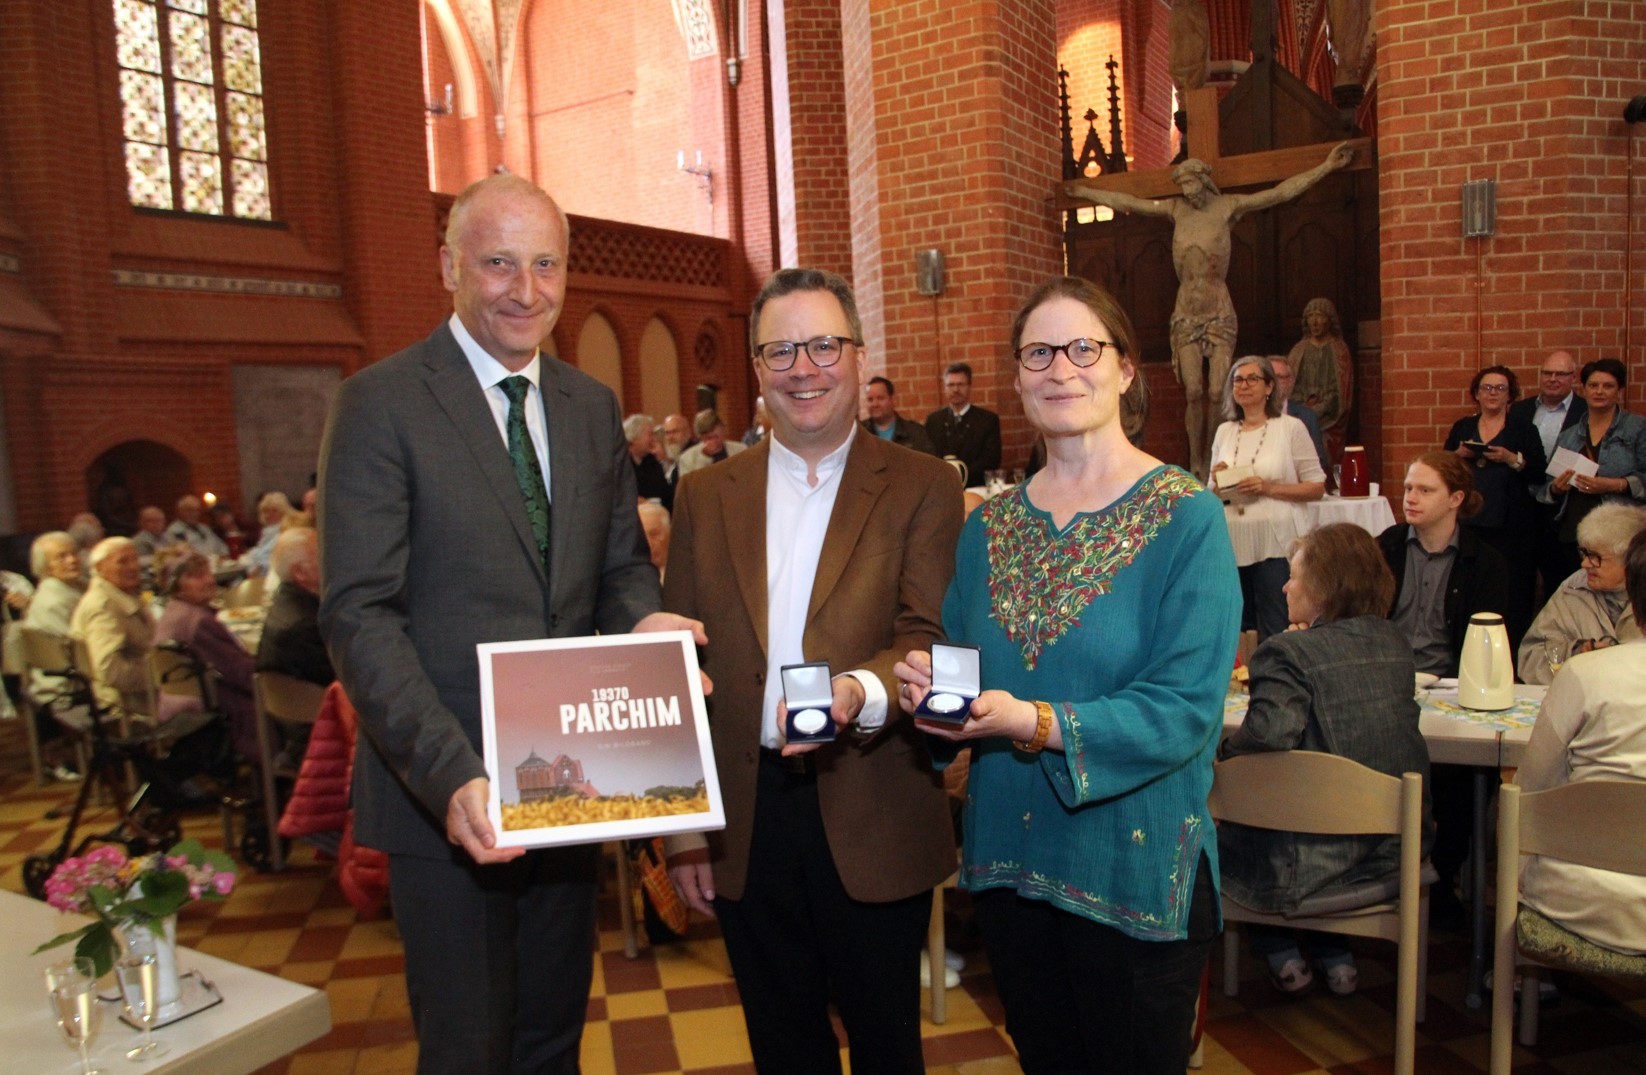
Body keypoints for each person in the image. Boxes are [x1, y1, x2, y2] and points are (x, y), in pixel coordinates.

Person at [318, 173, 700, 1075]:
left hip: (566, 780)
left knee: (550, 1037)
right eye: (498, 263)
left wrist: (642, 629)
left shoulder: (588, 403)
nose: (526, 291)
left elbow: (617, 571)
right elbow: (358, 613)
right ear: (449, 265)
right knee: (467, 1049)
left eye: (544, 264)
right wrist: (450, 772)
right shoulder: (382, 403)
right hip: (442, 789)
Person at [896, 276, 1240, 1074]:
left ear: (1124, 369)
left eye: (1084, 348)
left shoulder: (1188, 516)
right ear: (1017, 378)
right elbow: (966, 666)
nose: (1062, 369)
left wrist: (1033, 721)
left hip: (1136, 868)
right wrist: (932, 695)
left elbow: (1184, 710)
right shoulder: (989, 528)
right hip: (1013, 870)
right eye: (1039, 352)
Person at [664, 267, 962, 1075]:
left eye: (824, 344)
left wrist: (856, 695)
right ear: (756, 369)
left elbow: (923, 631)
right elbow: (678, 667)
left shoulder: (924, 484)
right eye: (781, 349)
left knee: (886, 1047)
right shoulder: (703, 494)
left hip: (869, 798)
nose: (805, 367)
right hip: (745, 817)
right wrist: (685, 834)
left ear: (859, 355)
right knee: (782, 1048)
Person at [1218, 523, 1433, 996]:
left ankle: (1279, 952)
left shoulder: (1286, 652)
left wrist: (1223, 759)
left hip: (1308, 865)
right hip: (1395, 849)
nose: (1284, 586)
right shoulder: (1393, 643)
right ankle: (1333, 954)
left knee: (1234, 808)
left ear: (1323, 587)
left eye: (1294, 576)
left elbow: (1269, 735)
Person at [1065, 143, 1354, 478]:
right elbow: (1130, 202)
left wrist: (1327, 167)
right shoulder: (1176, 209)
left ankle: (1218, 460)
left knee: (1218, 390)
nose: (1188, 191)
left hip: (1218, 310)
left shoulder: (1227, 206)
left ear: (1204, 181)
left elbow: (1279, 193)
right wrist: (1086, 190)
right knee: (1193, 391)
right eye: (1183, 185)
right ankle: (1197, 464)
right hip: (1186, 312)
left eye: (1192, 184)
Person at [1377, 451, 1511, 930]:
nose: (1410, 498)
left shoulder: (1484, 561)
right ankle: (1383, 871)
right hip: (1387, 683)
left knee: (1464, 774)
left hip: (1451, 687)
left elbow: (1488, 641)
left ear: (1455, 499)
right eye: (1409, 488)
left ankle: (1442, 874)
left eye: (1424, 490)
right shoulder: (1386, 547)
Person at [1514, 526, 1646, 955]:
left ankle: (1522, 981)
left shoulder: (1584, 673)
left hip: (1587, 894)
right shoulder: (1571, 597)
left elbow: (1531, 789)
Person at [1210, 355, 1326, 640]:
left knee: (1275, 622)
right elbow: (1211, 492)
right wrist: (1218, 481)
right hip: (1233, 539)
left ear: (1269, 387)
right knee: (1238, 626)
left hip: (1274, 541)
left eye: (1253, 379)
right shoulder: (1225, 431)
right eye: (1238, 380)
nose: (1244, 386)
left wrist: (1266, 487)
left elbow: (1316, 487)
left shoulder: (1290, 427)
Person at [1443, 365, 1546, 643]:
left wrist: (1512, 459)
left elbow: (1538, 471)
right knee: (1470, 587)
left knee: (1511, 591)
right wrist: (1459, 454)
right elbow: (1442, 468)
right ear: (1476, 393)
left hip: (1511, 526)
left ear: (1510, 395)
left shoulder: (1523, 429)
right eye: (1486, 388)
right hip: (1469, 522)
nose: (1492, 393)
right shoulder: (1463, 427)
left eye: (1500, 388)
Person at [1517, 503, 1646, 684]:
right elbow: (1530, 657)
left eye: (1595, 556)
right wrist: (1577, 653)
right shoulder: (1573, 588)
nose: (1584, 564)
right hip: (1583, 701)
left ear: (1629, 560)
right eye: (1584, 553)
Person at [1543, 357, 1646, 575]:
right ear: (1584, 389)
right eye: (1593, 385)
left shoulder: (1637, 428)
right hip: (1574, 531)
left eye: (1608, 386)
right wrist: (1556, 488)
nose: (1599, 391)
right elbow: (1546, 488)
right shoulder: (1569, 436)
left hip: (1620, 532)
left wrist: (1615, 485)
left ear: (1619, 390)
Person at [154, 552, 258, 759]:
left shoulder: (173, 612)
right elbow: (242, 674)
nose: (209, 580)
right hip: (209, 713)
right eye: (196, 576)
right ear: (175, 585)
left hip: (175, 705)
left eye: (208, 572)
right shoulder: (198, 622)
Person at [1509, 350, 1586, 597]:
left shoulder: (1585, 411)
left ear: (1573, 377)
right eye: (1547, 373)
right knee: (1518, 582)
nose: (1553, 378)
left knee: (1560, 583)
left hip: (1563, 510)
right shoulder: (1520, 410)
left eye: (1561, 374)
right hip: (1523, 507)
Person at [69, 536, 154, 718]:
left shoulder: (120, 594)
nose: (133, 567)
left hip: (140, 694)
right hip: (129, 704)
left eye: (134, 559)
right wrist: (161, 673)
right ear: (100, 568)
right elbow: (111, 671)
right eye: (122, 562)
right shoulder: (103, 609)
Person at [1285, 297, 1355, 460]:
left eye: (1320, 316)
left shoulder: (1339, 350)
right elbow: (1289, 385)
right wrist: (1303, 407)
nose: (1314, 322)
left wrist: (1321, 408)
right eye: (1310, 316)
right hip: (1300, 414)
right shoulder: (1298, 350)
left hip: (1329, 419)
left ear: (1330, 320)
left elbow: (1341, 391)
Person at [924, 361, 1002, 485]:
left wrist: (961, 475)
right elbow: (929, 457)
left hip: (976, 485)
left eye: (960, 384)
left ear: (969, 386)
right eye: (950, 385)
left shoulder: (987, 420)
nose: (955, 389)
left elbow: (991, 459)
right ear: (944, 388)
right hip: (942, 487)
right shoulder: (933, 421)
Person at [1268, 354, 1328, 475]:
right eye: (1269, 377)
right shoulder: (1248, 416)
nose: (1273, 383)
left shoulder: (1307, 417)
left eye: (1279, 377)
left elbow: (1318, 462)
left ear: (1291, 382)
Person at [862, 376, 936, 454]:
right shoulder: (860, 432)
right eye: (870, 399)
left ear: (893, 399)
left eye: (880, 398)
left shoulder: (915, 432)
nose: (875, 404)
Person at [675, 408, 746, 477]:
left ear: (723, 430)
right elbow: (689, 486)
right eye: (709, 438)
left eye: (717, 436)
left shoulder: (740, 450)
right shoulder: (688, 459)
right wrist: (706, 456)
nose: (714, 441)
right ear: (700, 438)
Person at [624, 413, 673, 508]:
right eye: (650, 435)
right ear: (634, 437)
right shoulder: (621, 465)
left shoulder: (652, 462)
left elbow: (667, 494)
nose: (654, 439)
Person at [241, 491, 295, 575]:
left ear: (283, 512)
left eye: (274, 511)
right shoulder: (267, 533)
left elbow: (272, 561)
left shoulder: (284, 533)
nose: (269, 515)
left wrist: (256, 568)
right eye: (266, 511)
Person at [164, 495, 229, 558]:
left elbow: (222, 548)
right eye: (190, 510)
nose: (194, 514)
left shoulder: (204, 528)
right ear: (180, 511)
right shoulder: (175, 532)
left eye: (197, 510)